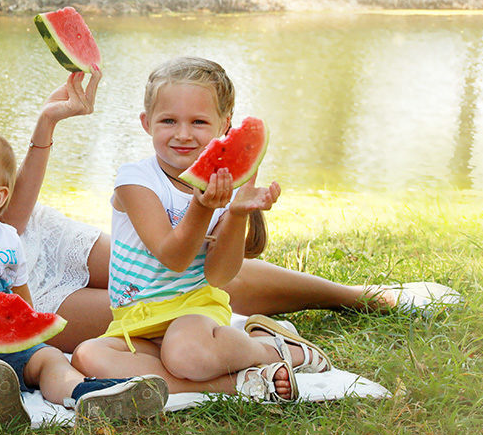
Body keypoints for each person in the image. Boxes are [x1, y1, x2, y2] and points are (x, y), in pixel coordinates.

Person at [0, 0, 458, 354]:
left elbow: (11, 217)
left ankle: (368, 298)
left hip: (33, 238)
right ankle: (259, 340)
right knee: (165, 298)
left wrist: (47, 124)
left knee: (185, 267)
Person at [71, 57, 334, 401]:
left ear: (225, 126)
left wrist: (236, 214)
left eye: (198, 121)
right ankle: (244, 383)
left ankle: (278, 350)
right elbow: (172, 255)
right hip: (136, 320)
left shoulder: (221, 191)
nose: (183, 134)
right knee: (88, 356)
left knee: (184, 355)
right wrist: (204, 205)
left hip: (195, 312)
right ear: (146, 122)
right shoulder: (135, 180)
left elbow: (219, 275)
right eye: (168, 121)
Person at [0, 125, 168, 424]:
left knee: (48, 358)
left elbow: (21, 294)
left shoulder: (8, 237)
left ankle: (83, 394)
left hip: (9, 344)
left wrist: (24, 321)